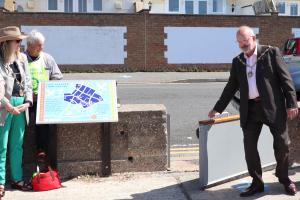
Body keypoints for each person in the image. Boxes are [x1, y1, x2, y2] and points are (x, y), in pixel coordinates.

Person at [208, 26, 299, 197]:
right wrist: (217, 108)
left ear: (253, 38)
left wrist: (291, 103)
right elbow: (230, 87)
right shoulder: (238, 61)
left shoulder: (271, 53)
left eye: (245, 41)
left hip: (273, 107)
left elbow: (286, 80)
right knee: (250, 148)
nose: (243, 45)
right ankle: (256, 182)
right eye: (239, 42)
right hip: (250, 109)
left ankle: (284, 178)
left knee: (283, 144)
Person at [0, 26, 34, 198]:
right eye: (17, 41)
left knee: (17, 145)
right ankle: (0, 182)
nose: (20, 44)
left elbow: (28, 81)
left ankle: (17, 178)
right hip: (3, 107)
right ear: (7, 43)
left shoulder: (21, 58)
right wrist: (7, 105)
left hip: (20, 105)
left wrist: (28, 102)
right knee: (2, 145)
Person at [25, 30, 63, 163]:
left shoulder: (48, 58)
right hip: (26, 100)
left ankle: (42, 150)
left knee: (43, 122)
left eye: (42, 45)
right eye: (39, 45)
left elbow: (57, 77)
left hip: (44, 99)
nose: (42, 48)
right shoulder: (21, 59)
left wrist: (46, 89)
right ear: (29, 46)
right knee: (25, 122)